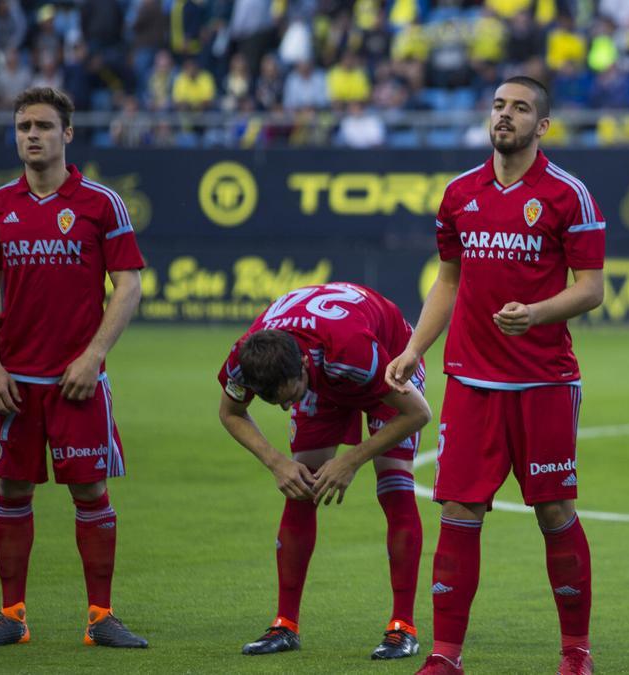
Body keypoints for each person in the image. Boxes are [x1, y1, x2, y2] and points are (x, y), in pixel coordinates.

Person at [386, 75, 606, 675]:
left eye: (521, 109)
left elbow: (591, 290)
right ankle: (444, 655)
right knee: (458, 510)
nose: (505, 116)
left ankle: (576, 654)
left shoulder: (569, 195)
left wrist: (535, 313)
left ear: (544, 125)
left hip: (544, 382)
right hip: (472, 381)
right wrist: (414, 348)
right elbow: (450, 280)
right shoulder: (460, 194)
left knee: (554, 511)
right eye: (499, 106)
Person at [0, 86, 147, 649]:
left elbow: (130, 285)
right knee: (12, 488)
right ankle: (11, 616)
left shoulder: (100, 203)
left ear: (67, 134)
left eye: (43, 126)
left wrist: (93, 355)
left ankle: (101, 617)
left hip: (78, 381)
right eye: (23, 127)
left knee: (90, 492)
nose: (32, 136)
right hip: (14, 382)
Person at [217, 282, 432, 660]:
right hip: (322, 374)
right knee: (301, 487)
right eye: (278, 403)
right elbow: (230, 412)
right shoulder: (244, 357)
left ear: (302, 365)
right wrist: (276, 461)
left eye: (291, 398)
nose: (287, 409)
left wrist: (352, 460)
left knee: (395, 487)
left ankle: (403, 628)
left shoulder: (351, 352)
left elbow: (418, 414)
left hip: (387, 359)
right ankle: (285, 624)